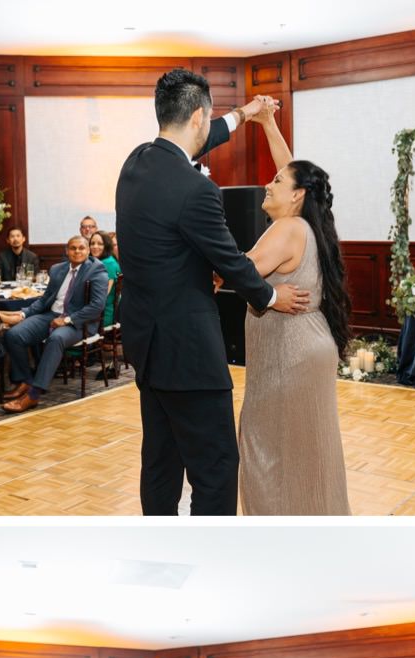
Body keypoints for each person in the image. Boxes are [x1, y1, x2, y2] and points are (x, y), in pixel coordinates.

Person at [116, 72, 310, 514]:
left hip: (146, 344)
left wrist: (244, 115)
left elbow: (194, 143)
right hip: (189, 355)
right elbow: (231, 261)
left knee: (161, 463)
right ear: (200, 116)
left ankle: (161, 556)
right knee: (216, 469)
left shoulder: (135, 163)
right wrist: (270, 297)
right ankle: (211, 557)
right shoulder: (197, 190)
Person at [236, 105, 351, 515]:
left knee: (270, 451)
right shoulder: (307, 223)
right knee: (307, 454)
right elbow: (292, 171)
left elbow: (238, 273)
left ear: (298, 194)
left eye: (276, 181)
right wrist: (267, 123)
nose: (268, 184)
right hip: (307, 348)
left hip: (290, 357)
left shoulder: (288, 228)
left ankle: (278, 537)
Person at [0, 235, 108, 414]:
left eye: (81, 248)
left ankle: (33, 395)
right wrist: (24, 314)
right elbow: (44, 300)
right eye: (73, 248)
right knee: (13, 334)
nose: (77, 251)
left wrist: (66, 320)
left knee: (56, 338)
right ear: (66, 251)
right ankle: (25, 380)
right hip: (51, 314)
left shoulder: (97, 270)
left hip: (79, 323)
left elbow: (97, 307)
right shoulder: (57, 269)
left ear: (88, 251)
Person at [91, 231, 122, 328]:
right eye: (92, 243)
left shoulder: (107, 263)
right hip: (99, 312)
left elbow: (103, 295)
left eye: (100, 244)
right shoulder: (101, 261)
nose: (95, 246)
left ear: (107, 246)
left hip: (103, 315)